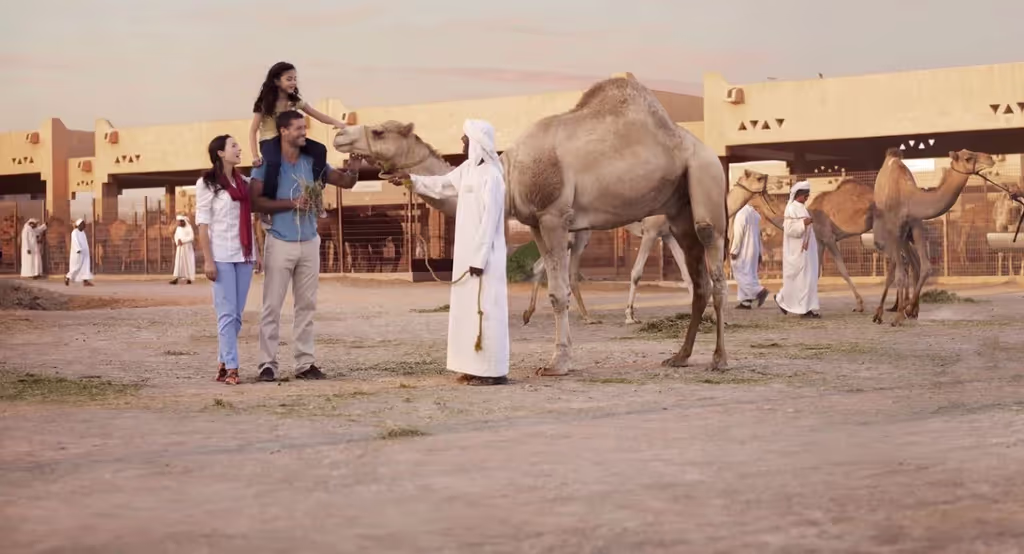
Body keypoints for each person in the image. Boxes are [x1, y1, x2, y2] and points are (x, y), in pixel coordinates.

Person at [388, 119, 510, 386]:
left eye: (465, 139)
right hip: (467, 256)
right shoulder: (467, 170)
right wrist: (411, 180)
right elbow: (442, 185)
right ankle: (470, 366)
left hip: (485, 258)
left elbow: (490, 221)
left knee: (486, 311)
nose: (462, 143)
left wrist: (479, 259)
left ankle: (491, 371)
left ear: (477, 142)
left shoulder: (492, 176)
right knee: (466, 312)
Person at [250, 110, 358, 382]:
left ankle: (305, 364)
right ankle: (267, 364)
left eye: (304, 128)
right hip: (279, 241)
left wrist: (354, 166)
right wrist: (291, 204)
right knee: (272, 307)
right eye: (298, 128)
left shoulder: (313, 161)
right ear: (283, 131)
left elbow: (346, 182)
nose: (303, 132)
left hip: (309, 242)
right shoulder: (267, 162)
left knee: (306, 306)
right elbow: (255, 202)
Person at [195, 135, 262, 385]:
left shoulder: (244, 182)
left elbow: (253, 218)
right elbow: (202, 225)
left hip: (244, 255)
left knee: (236, 315)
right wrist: (208, 261)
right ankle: (233, 368)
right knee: (226, 314)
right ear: (220, 153)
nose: (239, 149)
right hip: (221, 256)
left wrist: (258, 253)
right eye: (233, 145)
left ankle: (223, 361)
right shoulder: (207, 183)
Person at [248, 62, 346, 222]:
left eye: (294, 79)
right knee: (273, 162)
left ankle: (315, 192)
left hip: (290, 139)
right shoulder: (264, 103)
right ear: (276, 81)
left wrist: (337, 123)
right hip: (270, 140)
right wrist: (254, 155)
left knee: (320, 150)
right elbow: (253, 130)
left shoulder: (295, 101)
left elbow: (317, 115)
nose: (293, 82)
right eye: (289, 79)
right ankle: (268, 206)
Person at [774, 181, 821, 318]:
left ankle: (805, 307)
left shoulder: (802, 208)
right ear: (798, 195)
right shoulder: (791, 208)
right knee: (801, 280)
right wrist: (803, 223)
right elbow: (789, 229)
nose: (807, 197)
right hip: (797, 252)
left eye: (808, 195)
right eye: (805, 195)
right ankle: (801, 309)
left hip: (807, 251)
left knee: (808, 279)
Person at [730, 204, 769, 309]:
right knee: (750, 274)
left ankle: (759, 291)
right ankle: (746, 301)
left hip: (743, 250)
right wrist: (760, 253)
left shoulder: (741, 214)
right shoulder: (755, 214)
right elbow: (758, 235)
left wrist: (734, 250)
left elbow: (739, 234)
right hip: (754, 249)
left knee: (739, 271)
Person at [65, 219, 94, 287]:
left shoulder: (82, 232)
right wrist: (78, 249)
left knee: (85, 267)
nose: (84, 225)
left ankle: (85, 281)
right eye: (83, 224)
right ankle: (67, 277)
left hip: (84, 253)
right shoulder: (75, 232)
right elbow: (75, 242)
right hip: (78, 253)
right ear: (79, 225)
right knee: (76, 267)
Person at [170, 215, 196, 285]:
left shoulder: (189, 228)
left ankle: (189, 278)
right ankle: (176, 278)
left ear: (183, 221)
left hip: (187, 248)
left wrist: (183, 241)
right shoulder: (178, 229)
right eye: (178, 222)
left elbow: (191, 237)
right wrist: (177, 241)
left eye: (180, 222)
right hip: (180, 248)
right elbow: (176, 236)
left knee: (188, 262)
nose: (179, 223)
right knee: (178, 263)